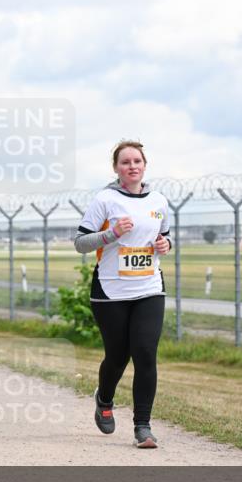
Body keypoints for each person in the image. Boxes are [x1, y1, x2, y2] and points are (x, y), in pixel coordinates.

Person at [74, 140, 172, 449]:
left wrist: (165, 246)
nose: (132, 166)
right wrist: (111, 234)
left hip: (149, 288)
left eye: (137, 161)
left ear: (145, 165)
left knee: (145, 354)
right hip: (111, 290)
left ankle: (143, 427)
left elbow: (165, 237)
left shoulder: (159, 200)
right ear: (116, 168)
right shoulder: (106, 199)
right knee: (118, 356)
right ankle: (104, 399)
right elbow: (80, 242)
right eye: (125, 162)